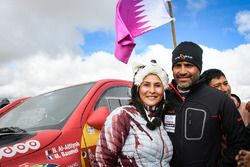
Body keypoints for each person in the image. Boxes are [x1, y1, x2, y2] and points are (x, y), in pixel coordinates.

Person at [164, 41, 246, 166]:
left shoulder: (219, 99)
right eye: (177, 65)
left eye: (188, 65)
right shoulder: (165, 99)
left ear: (199, 68)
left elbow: (240, 142)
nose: (182, 71)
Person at [95, 60, 173, 166]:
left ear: (163, 90)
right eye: (146, 85)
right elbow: (103, 161)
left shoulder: (159, 119)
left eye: (157, 85)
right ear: (137, 89)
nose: (152, 90)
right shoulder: (122, 115)